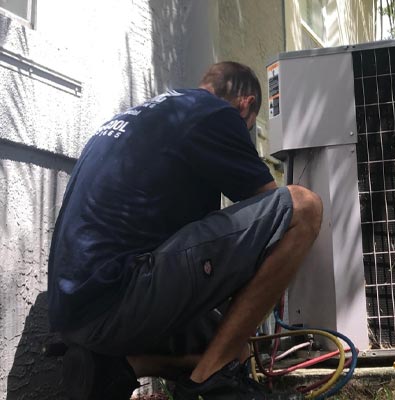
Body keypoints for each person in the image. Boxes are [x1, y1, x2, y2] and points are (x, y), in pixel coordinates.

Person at [47, 61, 322, 400]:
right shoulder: (216, 114)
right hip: (117, 298)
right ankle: (213, 381)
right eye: (249, 126)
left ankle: (117, 367)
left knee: (224, 336)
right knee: (304, 207)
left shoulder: (148, 114)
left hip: (75, 314)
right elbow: (274, 215)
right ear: (246, 105)